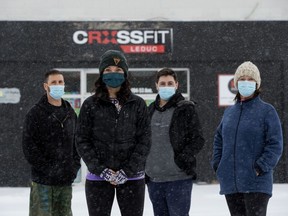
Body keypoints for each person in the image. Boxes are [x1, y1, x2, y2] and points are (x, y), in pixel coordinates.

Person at [76, 50, 151, 216]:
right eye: (108, 70)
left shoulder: (137, 104)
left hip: (132, 178)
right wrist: (101, 170)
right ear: (102, 74)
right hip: (98, 178)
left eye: (118, 70)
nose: (113, 74)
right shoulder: (90, 104)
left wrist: (127, 171)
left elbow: (144, 141)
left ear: (125, 74)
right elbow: (82, 140)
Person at [212, 61, 283, 216]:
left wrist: (259, 168)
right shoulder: (230, 112)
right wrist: (218, 165)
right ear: (236, 83)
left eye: (250, 79)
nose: (246, 82)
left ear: (257, 84)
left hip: (256, 184)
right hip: (231, 184)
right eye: (242, 79)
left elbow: (275, 144)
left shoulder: (267, 111)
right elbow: (219, 139)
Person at [145, 67, 205, 216]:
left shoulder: (186, 109)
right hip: (154, 180)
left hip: (179, 179)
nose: (166, 86)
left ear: (177, 85)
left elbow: (198, 139)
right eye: (163, 83)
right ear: (156, 85)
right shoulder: (149, 110)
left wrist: (182, 159)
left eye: (170, 83)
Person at [22, 69, 81, 216]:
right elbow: (29, 147)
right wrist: (49, 170)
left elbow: (77, 143)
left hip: (65, 182)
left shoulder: (70, 113)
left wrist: (74, 168)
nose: (58, 85)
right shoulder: (35, 113)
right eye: (53, 82)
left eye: (60, 82)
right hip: (43, 182)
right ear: (45, 86)